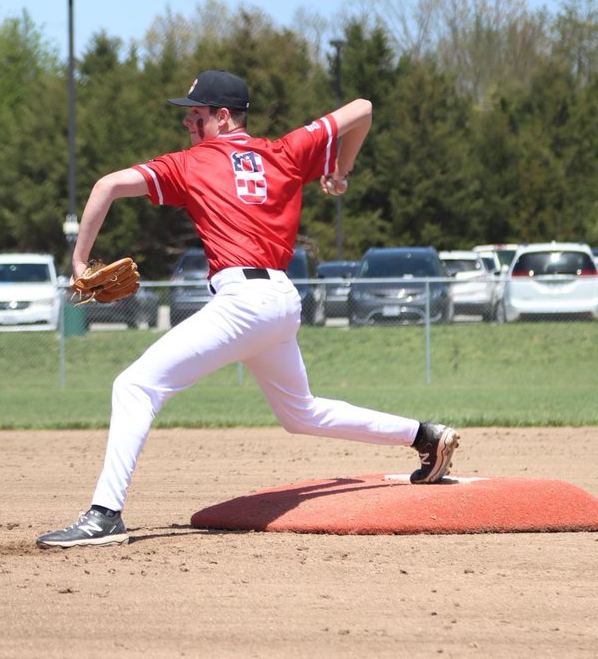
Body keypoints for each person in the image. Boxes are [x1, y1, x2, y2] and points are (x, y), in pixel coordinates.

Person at [36, 70, 460, 549]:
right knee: (301, 413)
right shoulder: (284, 151)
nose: (188, 125)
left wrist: (77, 261)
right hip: (280, 300)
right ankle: (425, 435)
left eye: (196, 116)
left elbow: (106, 186)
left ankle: (104, 515)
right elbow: (362, 107)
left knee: (134, 385)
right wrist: (340, 170)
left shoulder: (191, 164)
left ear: (222, 116)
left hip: (243, 302)